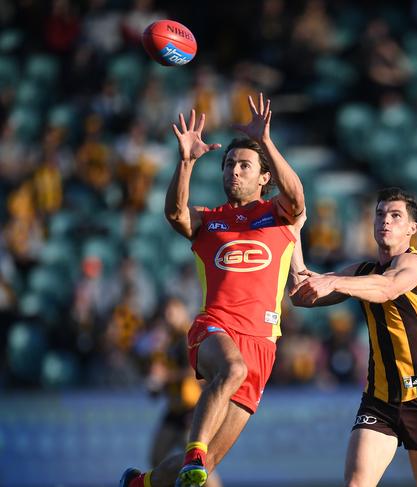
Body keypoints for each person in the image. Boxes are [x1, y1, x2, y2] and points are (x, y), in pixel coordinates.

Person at [121, 93, 305, 487]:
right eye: (228, 165)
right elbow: (174, 213)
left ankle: (141, 484)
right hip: (215, 329)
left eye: (244, 165)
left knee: (203, 472)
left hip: (263, 345)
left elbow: (298, 197)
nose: (234, 172)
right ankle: (193, 453)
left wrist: (267, 143)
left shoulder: (279, 215)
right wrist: (186, 163)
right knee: (230, 372)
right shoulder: (210, 220)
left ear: (264, 176)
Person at [289, 187, 417, 487]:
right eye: (379, 214)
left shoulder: (415, 265)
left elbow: (387, 289)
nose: (385, 221)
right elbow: (302, 296)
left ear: (412, 228)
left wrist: (335, 281)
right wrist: (293, 232)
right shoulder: (364, 270)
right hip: (380, 400)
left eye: (395, 215)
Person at [145, 297, 221, 487]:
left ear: (182, 312)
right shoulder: (168, 341)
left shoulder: (191, 336)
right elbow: (165, 374)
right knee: (156, 457)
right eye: (165, 314)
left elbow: (198, 372)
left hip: (191, 409)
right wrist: (157, 384)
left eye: (171, 313)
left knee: (198, 464)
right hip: (174, 409)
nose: (168, 318)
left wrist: (166, 376)